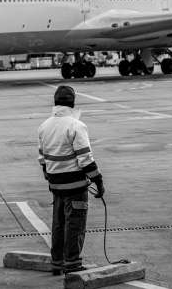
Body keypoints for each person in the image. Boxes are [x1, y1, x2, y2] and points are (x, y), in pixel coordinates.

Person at [38, 85, 105, 275]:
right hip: (75, 186)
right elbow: (85, 159)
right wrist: (98, 180)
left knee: (58, 224)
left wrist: (52, 177)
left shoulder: (44, 126)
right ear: (73, 103)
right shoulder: (76, 125)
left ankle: (57, 263)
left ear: (55, 102)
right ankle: (73, 263)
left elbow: (42, 159)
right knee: (75, 224)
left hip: (56, 186)